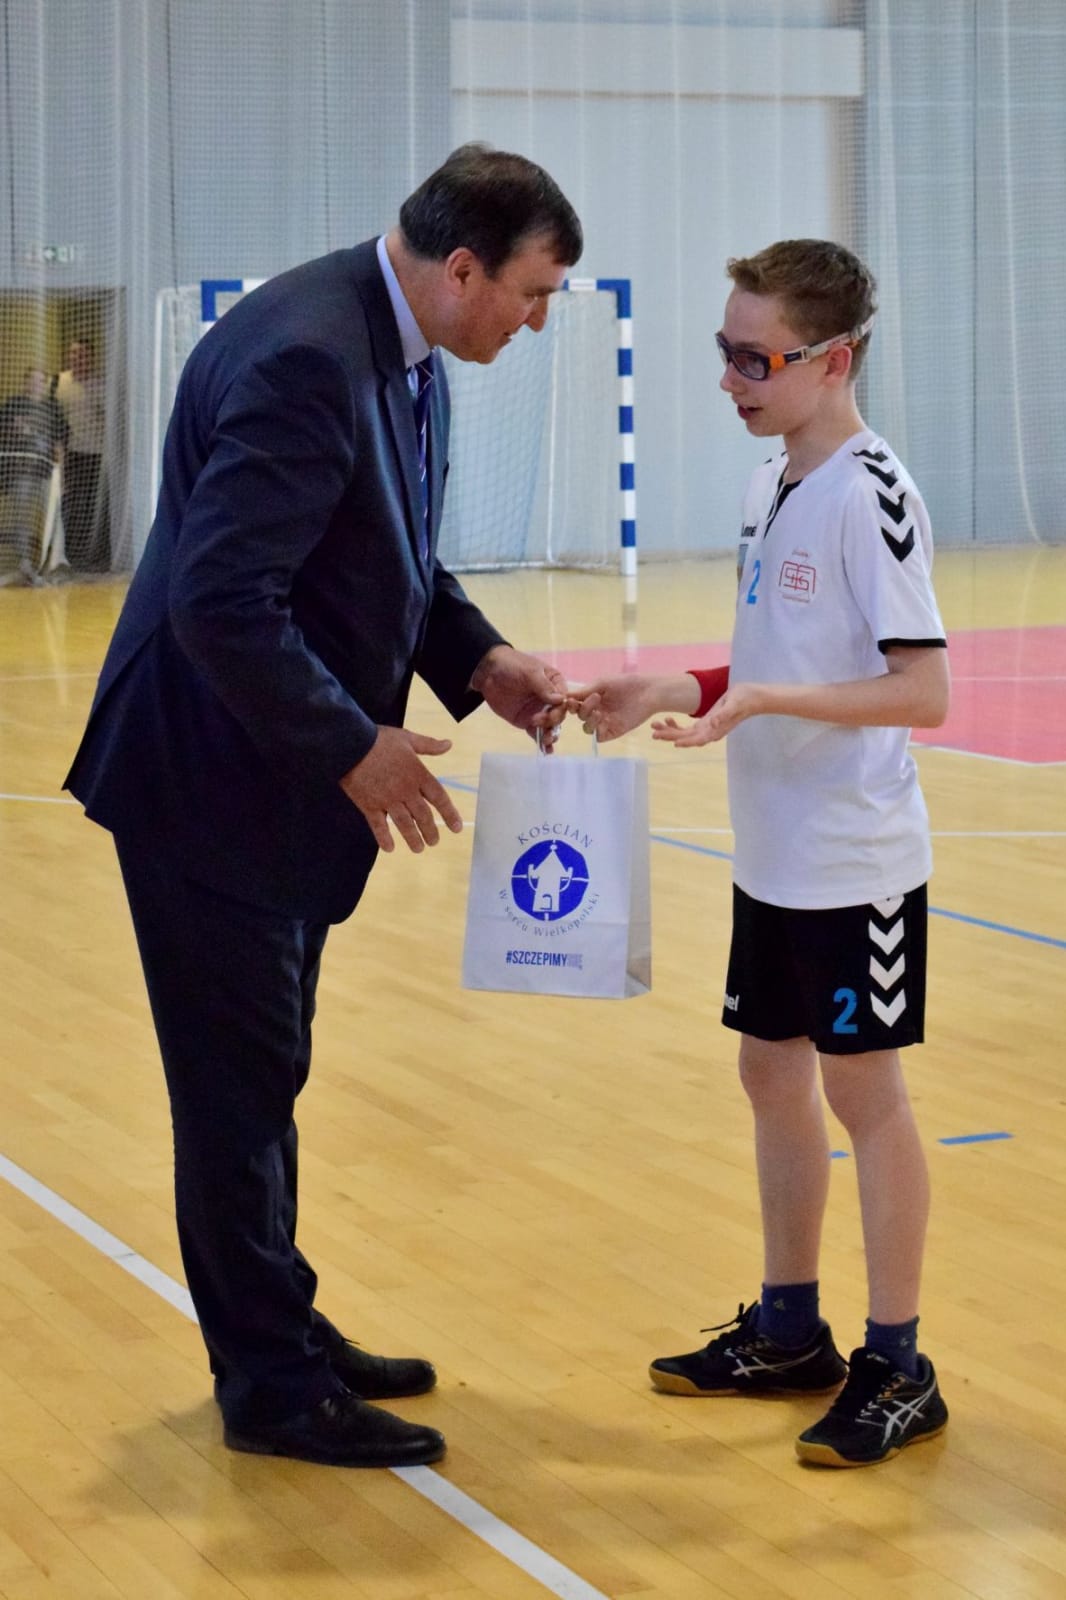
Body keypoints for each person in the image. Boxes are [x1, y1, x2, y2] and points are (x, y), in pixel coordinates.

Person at [65, 143, 582, 1469]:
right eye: (532, 293)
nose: (535, 322)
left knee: (266, 1071)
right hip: (207, 782)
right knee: (236, 1094)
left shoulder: (395, 343)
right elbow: (221, 599)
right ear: (461, 269)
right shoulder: (309, 355)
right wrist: (353, 745)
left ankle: (277, 1323)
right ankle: (270, 1386)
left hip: (258, 780)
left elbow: (390, 551)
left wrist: (480, 660)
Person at [572, 239, 951, 1468]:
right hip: (772, 859)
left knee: (864, 1099)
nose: (730, 379)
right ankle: (790, 1330)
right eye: (724, 352)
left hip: (854, 864)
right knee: (768, 1075)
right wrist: (672, 685)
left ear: (833, 359)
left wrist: (765, 703)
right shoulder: (771, 482)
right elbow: (774, 657)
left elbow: (921, 690)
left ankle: (898, 1362)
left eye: (756, 359)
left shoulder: (872, 494)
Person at [0, 365, 68, 584]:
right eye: (31, 380)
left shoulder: (52, 408)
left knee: (54, 516)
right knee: (22, 517)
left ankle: (54, 562)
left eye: (40, 380)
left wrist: (61, 477)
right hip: (20, 473)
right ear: (25, 382)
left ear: (45, 384)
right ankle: (25, 563)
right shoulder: (13, 405)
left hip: (45, 473)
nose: (35, 384)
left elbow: (59, 444)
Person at [54, 336, 110, 570]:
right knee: (71, 503)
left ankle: (93, 555)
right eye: (73, 353)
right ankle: (70, 553)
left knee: (92, 504)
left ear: (91, 358)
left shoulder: (100, 385)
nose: (77, 358)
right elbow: (54, 417)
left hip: (96, 453)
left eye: (82, 354)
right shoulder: (59, 382)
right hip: (71, 453)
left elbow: (111, 420)